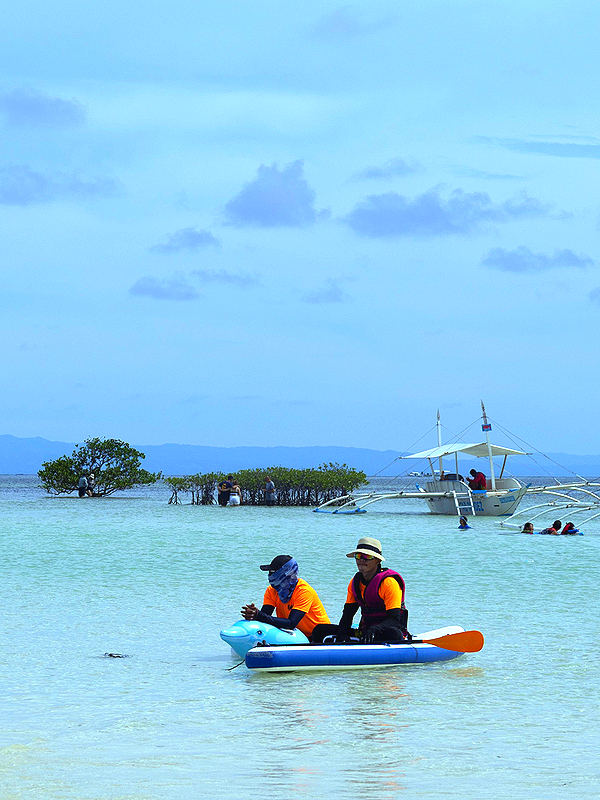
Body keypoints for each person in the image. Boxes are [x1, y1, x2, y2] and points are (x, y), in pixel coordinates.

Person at [312, 536, 409, 644]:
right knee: (319, 630)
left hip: (384, 632)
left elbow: (394, 620)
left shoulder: (388, 583)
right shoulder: (355, 583)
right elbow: (347, 616)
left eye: (367, 556)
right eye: (358, 556)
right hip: (364, 632)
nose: (361, 560)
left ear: (377, 560)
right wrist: (342, 635)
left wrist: (374, 630)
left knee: (393, 634)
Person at [241, 555, 330, 639]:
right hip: (295, 635)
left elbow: (291, 623)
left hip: (318, 635)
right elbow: (265, 616)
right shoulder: (271, 590)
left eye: (272, 572)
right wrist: (253, 615)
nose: (270, 575)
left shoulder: (303, 591)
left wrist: (258, 615)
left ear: (286, 573)